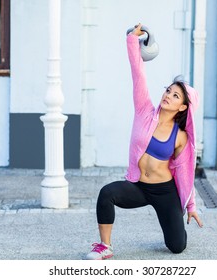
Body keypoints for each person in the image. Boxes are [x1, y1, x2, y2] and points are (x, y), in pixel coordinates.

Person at [85, 24, 203, 260]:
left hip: (165, 191)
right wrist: (132, 39)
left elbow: (184, 172)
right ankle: (104, 246)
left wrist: (190, 206)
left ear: (183, 107)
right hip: (138, 186)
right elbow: (138, 73)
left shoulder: (181, 136)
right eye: (168, 91)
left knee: (177, 246)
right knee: (106, 193)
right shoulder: (144, 112)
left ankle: (174, 225)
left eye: (175, 95)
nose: (168, 95)